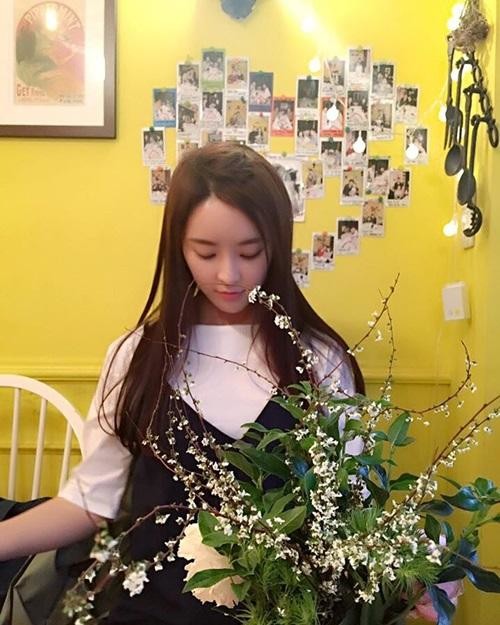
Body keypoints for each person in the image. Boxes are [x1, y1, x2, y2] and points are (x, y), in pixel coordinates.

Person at [0, 143, 364, 624]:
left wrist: (419, 576)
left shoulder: (320, 361)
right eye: (205, 252)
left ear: (277, 245)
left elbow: (352, 508)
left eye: (250, 252)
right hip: (147, 609)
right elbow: (92, 501)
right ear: (178, 248)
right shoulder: (137, 357)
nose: (229, 274)